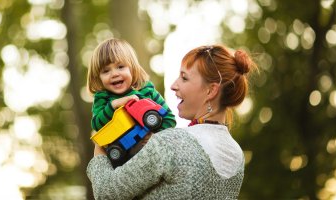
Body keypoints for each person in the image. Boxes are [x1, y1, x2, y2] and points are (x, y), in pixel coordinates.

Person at [87, 44, 256, 199]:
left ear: (211, 90)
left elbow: (106, 193)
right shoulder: (236, 155)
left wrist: (100, 148)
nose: (173, 86)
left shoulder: (169, 143)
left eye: (184, 78)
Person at [87, 38, 176, 165]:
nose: (114, 74)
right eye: (106, 71)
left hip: (155, 154)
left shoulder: (147, 91)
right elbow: (97, 125)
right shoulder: (103, 98)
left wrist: (153, 135)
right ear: (98, 77)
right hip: (124, 160)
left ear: (132, 68)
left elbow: (170, 119)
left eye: (120, 67)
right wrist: (115, 105)